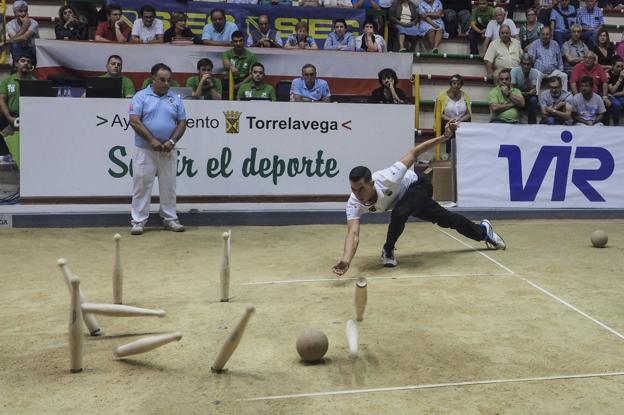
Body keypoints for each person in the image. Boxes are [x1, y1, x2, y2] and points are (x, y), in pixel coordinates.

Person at [331, 121, 506, 276]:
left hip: (417, 187)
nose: (357, 194)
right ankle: (483, 231)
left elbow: (414, 152)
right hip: (405, 202)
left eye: (361, 189)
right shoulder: (354, 202)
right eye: (353, 189)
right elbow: (352, 234)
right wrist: (346, 260)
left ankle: (388, 249)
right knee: (447, 219)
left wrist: (444, 137)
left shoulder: (389, 177)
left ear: (372, 183)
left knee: (400, 212)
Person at [129, 63, 187, 235]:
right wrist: (152, 140)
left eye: (169, 80)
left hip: (168, 150)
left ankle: (170, 218)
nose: (166, 83)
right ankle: (138, 221)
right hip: (145, 149)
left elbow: (182, 122)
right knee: (141, 185)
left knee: (169, 186)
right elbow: (134, 120)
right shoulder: (140, 97)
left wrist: (171, 141)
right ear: (152, 79)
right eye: (162, 80)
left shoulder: (175, 98)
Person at [0, 54, 36, 161]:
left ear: (30, 66)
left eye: (28, 61)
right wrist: (9, 117)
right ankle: (6, 154)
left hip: (29, 117)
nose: (26, 63)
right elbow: (1, 100)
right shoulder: (7, 80)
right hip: (10, 114)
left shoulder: (35, 82)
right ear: (16, 64)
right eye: (23, 60)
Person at [433, 74, 471, 157]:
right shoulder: (442, 96)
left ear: (461, 85)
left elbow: (468, 114)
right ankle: (451, 155)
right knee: (452, 127)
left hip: (461, 121)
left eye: (458, 83)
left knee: (460, 127)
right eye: (454, 83)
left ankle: (465, 155)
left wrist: (459, 120)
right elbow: (439, 114)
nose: (456, 86)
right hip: (446, 121)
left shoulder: (466, 96)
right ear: (450, 84)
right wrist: (451, 120)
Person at [527, 26, 568, 94]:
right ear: (540, 35)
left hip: (553, 72)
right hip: (539, 72)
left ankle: (564, 97)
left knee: (564, 76)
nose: (545, 36)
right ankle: (536, 96)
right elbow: (530, 61)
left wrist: (560, 70)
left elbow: (559, 60)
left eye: (547, 34)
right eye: (543, 34)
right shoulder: (535, 44)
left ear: (551, 35)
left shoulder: (555, 44)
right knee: (536, 75)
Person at [5, 1, 39, 65]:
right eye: (20, 11)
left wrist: (6, 42)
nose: (23, 14)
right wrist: (24, 27)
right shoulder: (10, 24)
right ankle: (17, 67)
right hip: (18, 51)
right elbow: (14, 39)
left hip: (32, 51)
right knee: (14, 44)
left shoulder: (34, 23)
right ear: (15, 13)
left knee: (15, 42)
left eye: (25, 11)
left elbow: (24, 38)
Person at [511, 53, 540, 124]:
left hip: (527, 98)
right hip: (516, 97)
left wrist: (527, 76)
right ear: (520, 64)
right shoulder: (514, 71)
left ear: (531, 65)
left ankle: (532, 124)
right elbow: (513, 90)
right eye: (524, 64)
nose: (526, 66)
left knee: (534, 99)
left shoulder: (535, 73)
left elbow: (533, 91)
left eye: (528, 64)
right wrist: (527, 93)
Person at [607, 60, 624, 125]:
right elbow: (612, 90)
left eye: (622, 66)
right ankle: (616, 124)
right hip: (609, 97)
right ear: (613, 66)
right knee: (617, 105)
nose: (620, 68)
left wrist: (613, 94)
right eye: (618, 66)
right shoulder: (608, 74)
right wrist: (620, 79)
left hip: (617, 95)